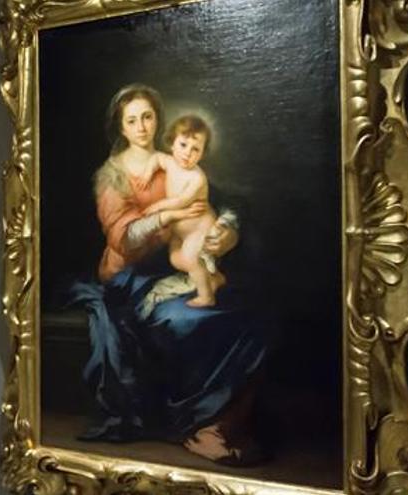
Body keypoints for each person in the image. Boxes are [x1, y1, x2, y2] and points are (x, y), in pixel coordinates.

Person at [73, 83, 266, 465]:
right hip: (130, 282)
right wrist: (169, 216)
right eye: (132, 120)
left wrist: (226, 228)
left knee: (247, 316)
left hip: (176, 268)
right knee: (189, 321)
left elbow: (226, 200)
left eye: (147, 116)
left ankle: (224, 424)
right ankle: (195, 423)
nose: (142, 126)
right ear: (121, 128)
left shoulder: (176, 158)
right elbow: (124, 239)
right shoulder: (110, 177)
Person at [137, 115, 226, 307]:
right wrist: (147, 172)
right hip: (181, 232)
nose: (188, 153)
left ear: (202, 153)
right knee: (175, 258)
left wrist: (158, 206)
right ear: (172, 143)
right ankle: (214, 277)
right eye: (183, 145)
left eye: (196, 149)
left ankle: (207, 296)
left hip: (200, 229)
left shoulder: (197, 178)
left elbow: (181, 201)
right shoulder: (169, 161)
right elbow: (156, 158)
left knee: (191, 258)